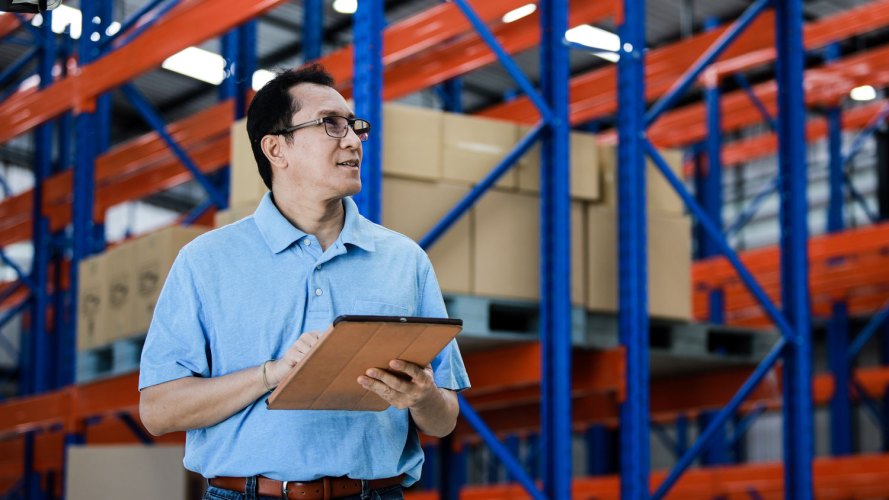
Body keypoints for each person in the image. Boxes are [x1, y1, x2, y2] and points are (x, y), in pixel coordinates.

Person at [138, 64, 470, 500]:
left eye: (355, 126)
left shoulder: (404, 260)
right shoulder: (206, 262)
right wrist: (271, 374)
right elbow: (158, 412)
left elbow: (443, 420)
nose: (352, 139)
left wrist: (422, 396)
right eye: (331, 125)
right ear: (276, 148)